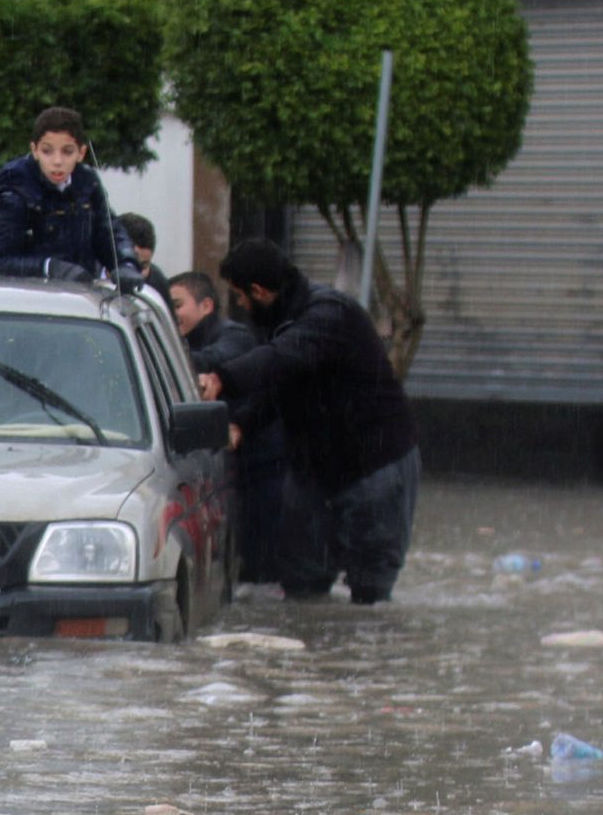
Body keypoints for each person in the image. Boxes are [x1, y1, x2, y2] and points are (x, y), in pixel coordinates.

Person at [194, 239, 419, 605]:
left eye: (241, 296)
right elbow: (281, 386)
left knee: (371, 588)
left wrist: (221, 379)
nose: (240, 306)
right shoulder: (281, 320)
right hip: (315, 469)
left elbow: (282, 359)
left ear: (260, 291)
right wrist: (242, 424)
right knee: (300, 580)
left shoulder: (328, 314)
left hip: (374, 464)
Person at [172, 269, 285, 585]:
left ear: (206, 305)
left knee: (262, 565)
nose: (172, 314)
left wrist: (171, 355)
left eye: (178, 305)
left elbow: (218, 358)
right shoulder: (182, 341)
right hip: (232, 469)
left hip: (262, 468)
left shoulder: (234, 335)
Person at [0, 107, 140, 283]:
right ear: (35, 150)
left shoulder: (87, 181)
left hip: (79, 293)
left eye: (67, 152)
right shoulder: (15, 186)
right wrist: (48, 267)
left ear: (81, 153)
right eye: (47, 151)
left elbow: (108, 230)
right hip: (28, 297)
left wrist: (126, 264)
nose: (57, 162)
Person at [121, 214, 172, 301]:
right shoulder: (91, 275)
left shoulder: (157, 284)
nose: (136, 275)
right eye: (129, 265)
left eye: (143, 266)